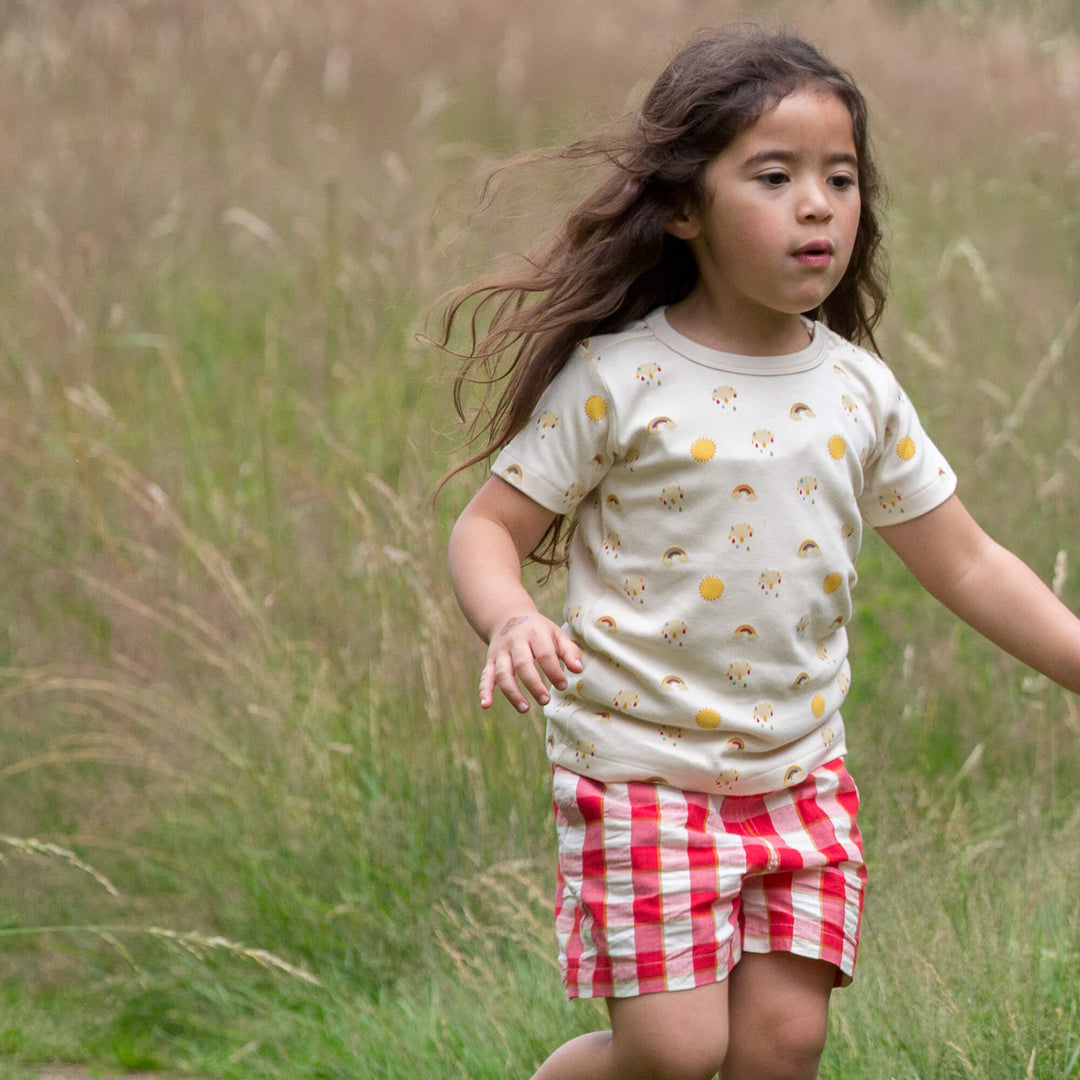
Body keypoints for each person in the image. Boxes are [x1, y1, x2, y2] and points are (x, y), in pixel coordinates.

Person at [440, 25, 1080, 1080]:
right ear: (686, 206)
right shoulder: (620, 379)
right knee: (676, 1053)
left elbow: (966, 562)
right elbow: (488, 529)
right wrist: (509, 616)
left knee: (784, 1043)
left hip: (798, 774)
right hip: (639, 770)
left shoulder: (858, 390)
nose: (819, 203)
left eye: (842, 177)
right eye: (775, 176)